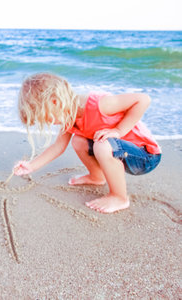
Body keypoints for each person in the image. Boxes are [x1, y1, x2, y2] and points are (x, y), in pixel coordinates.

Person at [13, 73, 162, 213]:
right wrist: (31, 166)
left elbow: (142, 99)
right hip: (119, 153)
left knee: (102, 145)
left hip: (145, 156)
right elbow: (58, 147)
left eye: (47, 118)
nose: (49, 123)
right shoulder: (69, 119)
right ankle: (97, 177)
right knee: (79, 141)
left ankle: (119, 197)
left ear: (54, 102)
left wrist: (118, 130)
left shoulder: (99, 104)